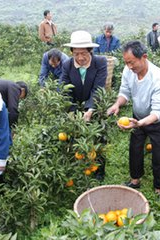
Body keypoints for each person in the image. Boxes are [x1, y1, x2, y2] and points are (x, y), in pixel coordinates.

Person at [107, 41, 160, 196]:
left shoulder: (159, 77)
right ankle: (135, 180)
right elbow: (125, 92)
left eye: (132, 62)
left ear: (144, 57)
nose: (129, 66)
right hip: (138, 116)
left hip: (158, 120)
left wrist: (140, 124)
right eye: (126, 62)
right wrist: (117, 104)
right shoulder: (128, 70)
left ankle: (159, 187)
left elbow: (158, 111)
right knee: (135, 148)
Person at [61, 30, 107, 180]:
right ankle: (79, 169)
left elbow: (98, 88)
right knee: (75, 137)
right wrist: (72, 111)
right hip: (75, 104)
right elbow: (64, 89)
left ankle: (99, 171)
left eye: (83, 54)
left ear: (91, 51)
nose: (80, 58)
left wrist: (90, 108)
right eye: (76, 54)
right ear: (72, 52)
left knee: (99, 137)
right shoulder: (67, 65)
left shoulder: (100, 62)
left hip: (95, 104)